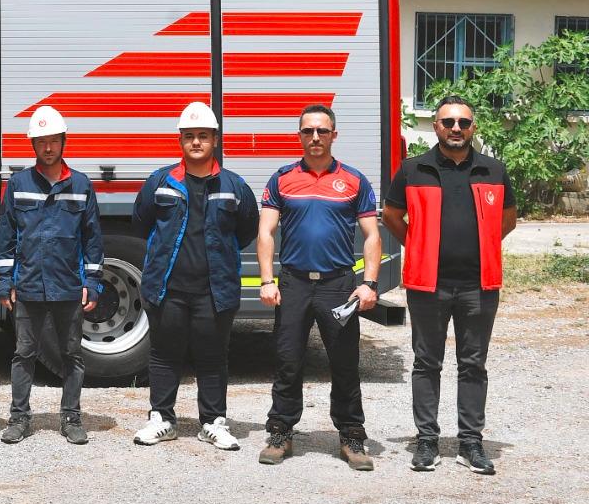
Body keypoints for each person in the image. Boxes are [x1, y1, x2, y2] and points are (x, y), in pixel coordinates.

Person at [383, 95, 517, 475]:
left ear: (473, 128)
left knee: (473, 364)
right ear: (436, 126)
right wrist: (418, 245)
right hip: (428, 285)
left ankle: (471, 443)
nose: (456, 128)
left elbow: (507, 219)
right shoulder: (413, 170)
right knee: (427, 362)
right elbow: (391, 215)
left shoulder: (493, 170)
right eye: (448, 122)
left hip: (479, 286)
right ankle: (427, 440)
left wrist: (484, 246)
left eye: (463, 122)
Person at [256, 104, 382, 470]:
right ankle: (280, 432)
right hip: (294, 284)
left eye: (322, 131)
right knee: (288, 361)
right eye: (308, 131)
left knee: (344, 363)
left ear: (333, 135)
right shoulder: (281, 179)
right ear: (299, 135)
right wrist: (267, 280)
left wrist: (369, 283)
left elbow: (372, 235)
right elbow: (265, 231)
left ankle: (352, 436)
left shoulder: (354, 180)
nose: (315, 137)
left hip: (337, 286)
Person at [130, 102, 258, 450]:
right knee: (164, 353)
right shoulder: (161, 181)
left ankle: (213, 423)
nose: (196, 142)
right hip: (167, 287)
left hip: (214, 290)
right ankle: (162, 419)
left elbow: (247, 230)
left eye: (203, 135)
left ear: (215, 139)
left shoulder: (234, 185)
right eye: (189, 136)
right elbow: (142, 222)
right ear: (181, 140)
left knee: (212, 356)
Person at [0, 106, 102, 445]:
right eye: (41, 142)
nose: (48, 148)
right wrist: (5, 281)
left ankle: (71, 418)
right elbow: (6, 237)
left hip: (67, 286)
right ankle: (19, 418)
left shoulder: (81, 185)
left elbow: (92, 239)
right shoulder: (19, 184)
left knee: (72, 355)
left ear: (63, 142)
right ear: (33, 145)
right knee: (24, 353)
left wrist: (92, 283)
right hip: (28, 285)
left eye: (54, 141)